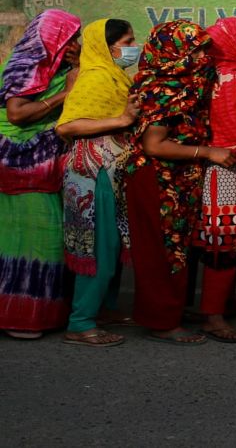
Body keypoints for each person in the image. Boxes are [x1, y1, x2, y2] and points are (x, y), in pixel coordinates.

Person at [125, 20, 235, 345]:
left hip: (178, 177)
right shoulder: (165, 88)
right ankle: (162, 321)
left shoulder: (186, 83)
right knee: (162, 251)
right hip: (157, 177)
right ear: (176, 51)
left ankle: (170, 310)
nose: (203, 56)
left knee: (176, 249)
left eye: (204, 49)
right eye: (196, 49)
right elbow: (153, 144)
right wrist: (208, 152)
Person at [55, 18, 141, 346]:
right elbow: (67, 127)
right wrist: (122, 120)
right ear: (107, 47)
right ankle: (81, 322)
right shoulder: (94, 78)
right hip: (94, 172)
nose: (132, 47)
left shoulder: (115, 75)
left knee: (112, 244)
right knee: (98, 248)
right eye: (127, 41)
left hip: (112, 169)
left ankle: (103, 309)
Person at [0, 9, 81, 339]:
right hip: (19, 160)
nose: (77, 43)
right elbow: (17, 114)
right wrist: (66, 93)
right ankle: (20, 316)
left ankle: (37, 313)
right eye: (72, 37)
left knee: (44, 238)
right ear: (54, 38)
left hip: (43, 162)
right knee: (34, 237)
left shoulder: (60, 69)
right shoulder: (24, 64)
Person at [189, 17, 236, 344]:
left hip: (210, 163)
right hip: (227, 164)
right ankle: (213, 316)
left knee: (224, 237)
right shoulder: (235, 78)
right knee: (224, 239)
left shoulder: (206, 73)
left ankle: (225, 302)